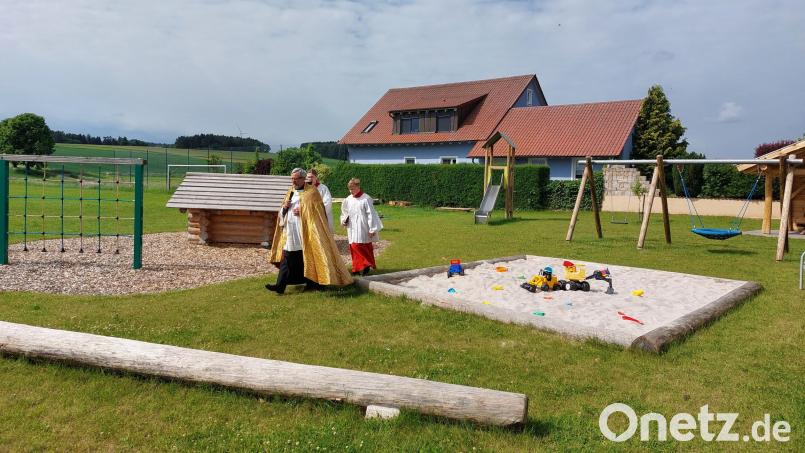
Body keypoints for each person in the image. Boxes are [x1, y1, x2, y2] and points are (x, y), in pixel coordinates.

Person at [266, 168, 352, 294]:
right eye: (292, 179)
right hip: (291, 231)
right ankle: (280, 285)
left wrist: (302, 211)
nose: (293, 181)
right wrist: (284, 208)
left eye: (295, 179)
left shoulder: (312, 192)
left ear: (302, 178)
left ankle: (313, 283)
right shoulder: (290, 191)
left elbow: (318, 212)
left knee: (309, 257)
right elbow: (282, 212)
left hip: (307, 232)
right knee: (288, 257)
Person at [340, 178, 383, 276]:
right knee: (353, 246)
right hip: (352, 226)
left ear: (358, 187)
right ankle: (356, 268)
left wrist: (372, 228)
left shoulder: (366, 198)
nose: (351, 191)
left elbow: (371, 214)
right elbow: (344, 212)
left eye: (353, 188)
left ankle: (365, 265)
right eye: (349, 189)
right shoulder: (348, 199)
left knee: (361, 246)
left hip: (363, 226)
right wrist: (344, 220)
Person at [305, 168, 334, 233]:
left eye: (312, 177)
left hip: (320, 216)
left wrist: (316, 211)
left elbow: (327, 202)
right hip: (308, 216)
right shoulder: (305, 189)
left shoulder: (323, 188)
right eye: (308, 177)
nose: (310, 179)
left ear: (316, 177)